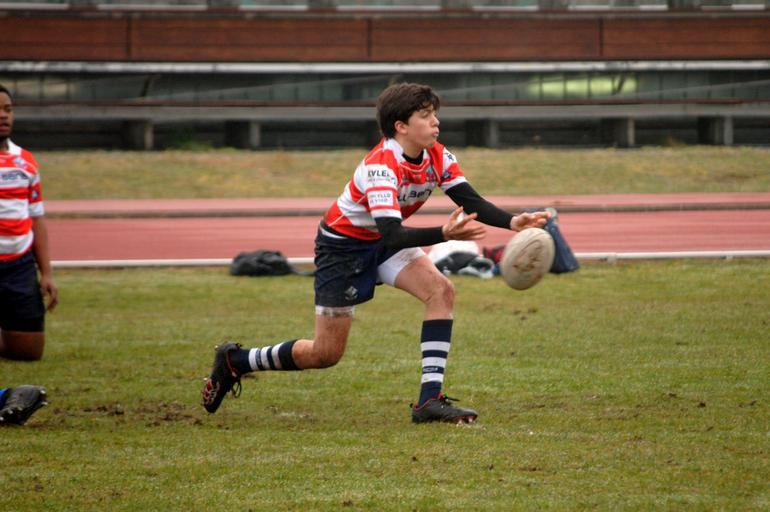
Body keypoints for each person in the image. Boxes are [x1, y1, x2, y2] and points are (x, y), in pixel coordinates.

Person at [201, 83, 549, 423]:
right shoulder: (380, 167)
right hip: (343, 248)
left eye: (435, 114)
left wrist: (513, 221)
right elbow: (393, 233)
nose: (436, 122)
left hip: (383, 245)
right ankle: (237, 361)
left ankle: (429, 400)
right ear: (401, 126)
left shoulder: (437, 155)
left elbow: (470, 201)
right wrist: (444, 233)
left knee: (441, 290)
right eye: (425, 116)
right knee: (325, 353)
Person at [0, 85, 58, 361]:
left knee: (29, 352)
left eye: (8, 109)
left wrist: (46, 273)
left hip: (19, 264)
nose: (4, 116)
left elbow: (37, 219)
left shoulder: (25, 161)